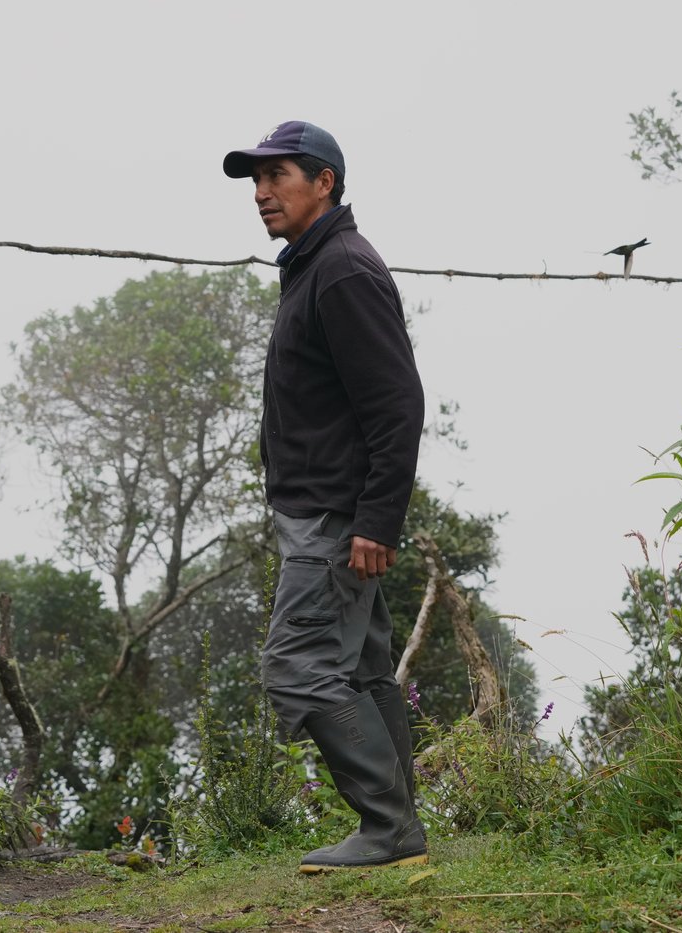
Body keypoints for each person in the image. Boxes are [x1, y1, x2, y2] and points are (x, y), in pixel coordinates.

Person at [223, 121, 427, 872]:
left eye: (277, 176)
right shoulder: (314, 266)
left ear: (325, 182)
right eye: (256, 179)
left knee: (298, 666)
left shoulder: (341, 271)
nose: (261, 191)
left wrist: (376, 518)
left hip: (337, 519)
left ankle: (387, 824)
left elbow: (397, 404)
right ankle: (400, 826)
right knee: (363, 669)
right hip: (328, 513)